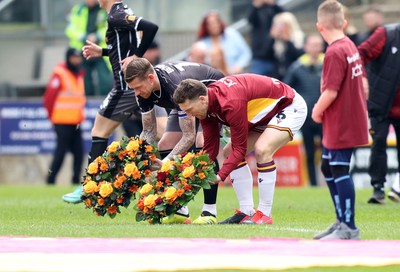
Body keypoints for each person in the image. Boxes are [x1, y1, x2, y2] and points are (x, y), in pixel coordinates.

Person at [172, 74, 307, 225]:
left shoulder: (230, 103)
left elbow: (240, 149)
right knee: (228, 152)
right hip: (262, 115)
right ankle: (246, 212)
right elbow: (210, 148)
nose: (189, 115)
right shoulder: (206, 105)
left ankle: (265, 213)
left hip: (288, 106)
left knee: (262, 150)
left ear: (202, 99)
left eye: (190, 109)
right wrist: (195, 174)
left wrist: (220, 176)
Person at [62, 0, 158, 203]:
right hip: (128, 86)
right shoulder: (119, 13)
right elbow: (125, 47)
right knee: (162, 131)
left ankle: (90, 185)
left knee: (99, 131)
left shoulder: (115, 14)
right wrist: (103, 52)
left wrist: (136, 57)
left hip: (124, 87)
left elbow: (150, 27)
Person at [123, 57, 225, 224]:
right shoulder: (142, 90)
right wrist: (138, 157)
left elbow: (188, 136)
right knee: (165, 143)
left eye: (138, 88)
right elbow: (148, 130)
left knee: (202, 141)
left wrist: (165, 162)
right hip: (184, 102)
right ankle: (179, 210)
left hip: (211, 94)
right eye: (132, 89)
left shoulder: (174, 85)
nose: (136, 93)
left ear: (150, 78)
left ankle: (209, 211)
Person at [312, 0, 368, 240]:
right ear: (343, 23)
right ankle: (340, 220)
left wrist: (316, 110)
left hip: (342, 121)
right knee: (328, 166)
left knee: (339, 169)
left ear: (319, 26)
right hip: (345, 119)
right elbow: (363, 84)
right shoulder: (349, 45)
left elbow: (331, 91)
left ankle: (349, 226)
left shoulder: (335, 51)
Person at [358, 23, 400, 204]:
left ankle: (397, 189)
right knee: (379, 143)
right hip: (380, 103)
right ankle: (378, 189)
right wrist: (363, 79)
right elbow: (360, 55)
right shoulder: (386, 34)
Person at [283, 33, 324, 186]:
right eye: (312, 45)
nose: (316, 48)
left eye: (318, 44)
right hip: (306, 117)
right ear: (306, 47)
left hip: (324, 115)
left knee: (328, 151)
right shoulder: (297, 67)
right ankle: (313, 184)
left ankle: (328, 181)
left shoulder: (328, 63)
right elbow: (287, 89)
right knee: (309, 152)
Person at [43, 48, 86, 186]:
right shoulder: (60, 73)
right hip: (61, 120)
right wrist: (51, 117)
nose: (77, 60)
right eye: (74, 57)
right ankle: (50, 179)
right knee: (60, 153)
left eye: (78, 57)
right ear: (68, 57)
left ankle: (75, 180)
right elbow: (49, 98)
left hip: (75, 121)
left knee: (79, 153)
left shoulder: (79, 74)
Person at [65, 0, 113, 96]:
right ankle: (88, 105)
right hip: (82, 51)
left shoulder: (104, 9)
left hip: (100, 51)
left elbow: (110, 27)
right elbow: (70, 29)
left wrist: (97, 36)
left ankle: (105, 104)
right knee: (85, 82)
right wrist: (84, 36)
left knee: (105, 80)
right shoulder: (78, 10)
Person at [197, 10, 252, 75]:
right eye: (210, 24)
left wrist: (239, 66)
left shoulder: (232, 34)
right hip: (214, 77)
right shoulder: (202, 43)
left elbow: (246, 53)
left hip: (236, 75)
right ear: (206, 26)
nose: (214, 26)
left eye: (216, 22)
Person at [248, 0, 284, 76]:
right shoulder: (256, 10)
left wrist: (273, 4)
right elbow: (250, 19)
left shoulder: (273, 9)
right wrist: (256, 5)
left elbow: (285, 16)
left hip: (275, 57)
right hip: (260, 57)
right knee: (256, 84)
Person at [269, 12, 304, 80]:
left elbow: (300, 56)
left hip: (295, 75)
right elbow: (266, 55)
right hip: (279, 75)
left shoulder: (299, 37)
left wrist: (287, 40)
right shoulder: (277, 41)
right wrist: (272, 38)